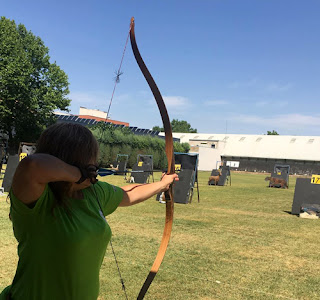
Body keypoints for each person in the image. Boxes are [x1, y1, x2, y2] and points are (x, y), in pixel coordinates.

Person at [0, 122, 178, 300]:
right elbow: (32, 166)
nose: (95, 163)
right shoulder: (37, 197)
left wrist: (162, 185)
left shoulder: (93, 192)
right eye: (91, 157)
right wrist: (79, 174)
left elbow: (127, 194)